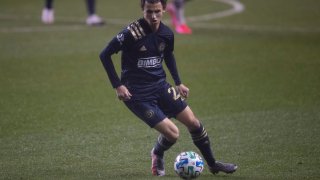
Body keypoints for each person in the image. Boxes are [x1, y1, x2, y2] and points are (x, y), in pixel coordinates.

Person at [99, 0, 237, 176]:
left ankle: (213, 164)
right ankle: (157, 152)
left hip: (160, 86)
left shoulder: (167, 34)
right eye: (149, 12)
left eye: (157, 11)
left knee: (193, 123)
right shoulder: (130, 33)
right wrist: (118, 85)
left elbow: (169, 55)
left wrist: (178, 82)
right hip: (137, 94)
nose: (154, 16)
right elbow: (104, 55)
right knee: (173, 134)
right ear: (143, 10)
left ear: (164, 9)